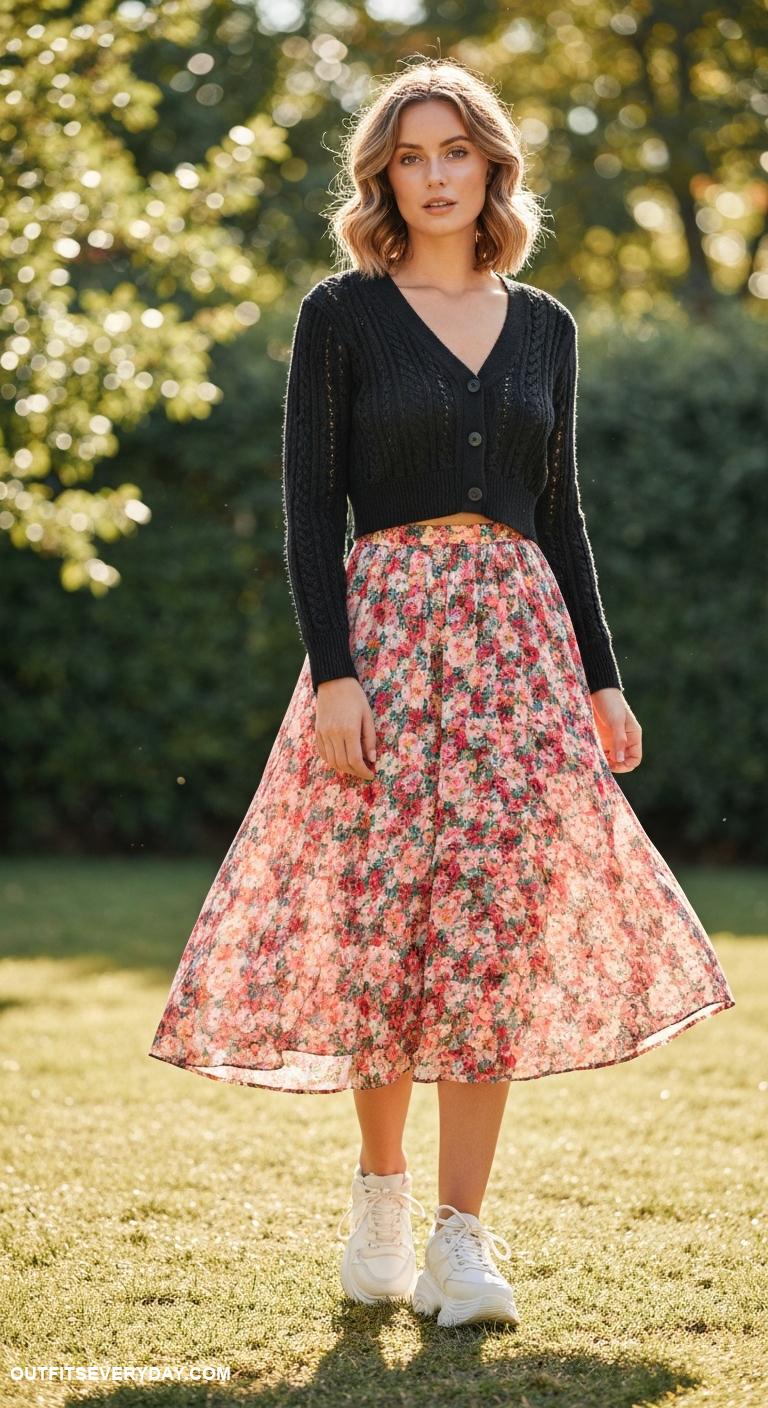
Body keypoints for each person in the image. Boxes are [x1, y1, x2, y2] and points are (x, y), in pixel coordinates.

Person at [148, 59, 736, 1329]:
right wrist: (336, 674)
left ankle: (461, 1241)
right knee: (384, 926)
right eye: (410, 156)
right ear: (383, 175)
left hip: (519, 651)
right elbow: (311, 508)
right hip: (388, 639)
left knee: (491, 931)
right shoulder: (342, 315)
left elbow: (562, 513)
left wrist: (602, 676)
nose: (434, 176)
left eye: (455, 152)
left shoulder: (546, 326)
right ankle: (380, 1202)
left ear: (492, 168)